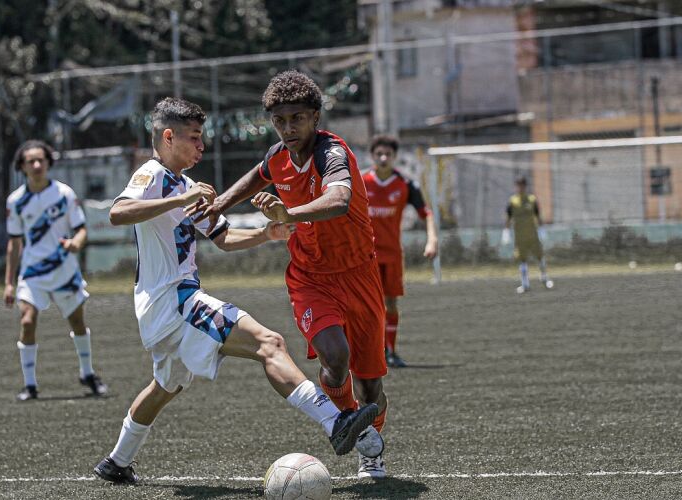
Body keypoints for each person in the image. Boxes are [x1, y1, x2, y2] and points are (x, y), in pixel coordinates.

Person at [93, 97, 379, 484]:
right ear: (168, 136)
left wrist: (267, 233)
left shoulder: (188, 185)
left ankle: (116, 462)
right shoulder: (153, 174)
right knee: (270, 343)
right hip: (174, 299)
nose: (201, 146)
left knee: (166, 385)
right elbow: (118, 212)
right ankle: (336, 422)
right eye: (194, 138)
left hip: (167, 304)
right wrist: (179, 200)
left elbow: (224, 237)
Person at [201, 70, 389, 478]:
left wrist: (289, 214)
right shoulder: (277, 156)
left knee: (370, 381)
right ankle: (351, 429)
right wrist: (221, 204)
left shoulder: (332, 153)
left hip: (359, 274)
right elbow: (256, 176)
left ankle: (371, 447)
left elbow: (338, 199)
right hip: (310, 276)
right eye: (280, 121)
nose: (288, 128)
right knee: (335, 358)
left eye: (297, 119)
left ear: (315, 117)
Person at [4, 140, 108, 401]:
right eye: (31, 161)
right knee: (27, 321)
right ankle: (30, 385)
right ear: (22, 166)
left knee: (77, 323)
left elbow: (81, 228)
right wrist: (8, 283)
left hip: (64, 270)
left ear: (49, 162)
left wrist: (76, 242)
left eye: (42, 160)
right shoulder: (16, 201)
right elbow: (14, 243)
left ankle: (87, 373)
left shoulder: (64, 194)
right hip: (32, 273)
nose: (37, 165)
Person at [362, 135, 438, 368]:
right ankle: (367, 352)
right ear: (372, 156)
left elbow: (426, 213)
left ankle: (390, 351)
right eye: (379, 154)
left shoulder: (406, 185)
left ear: (394, 157)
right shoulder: (361, 182)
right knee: (366, 306)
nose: (383, 158)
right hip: (365, 256)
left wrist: (432, 240)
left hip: (392, 254)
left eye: (388, 154)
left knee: (391, 304)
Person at [502, 176, 554, 293]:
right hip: (520, 237)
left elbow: (538, 215)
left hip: (533, 235)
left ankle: (545, 278)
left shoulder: (532, 199)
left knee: (540, 257)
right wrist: (506, 232)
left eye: (522, 185)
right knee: (522, 260)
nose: (520, 188)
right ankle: (525, 284)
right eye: (518, 185)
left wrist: (541, 230)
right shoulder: (512, 201)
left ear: (525, 186)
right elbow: (508, 217)